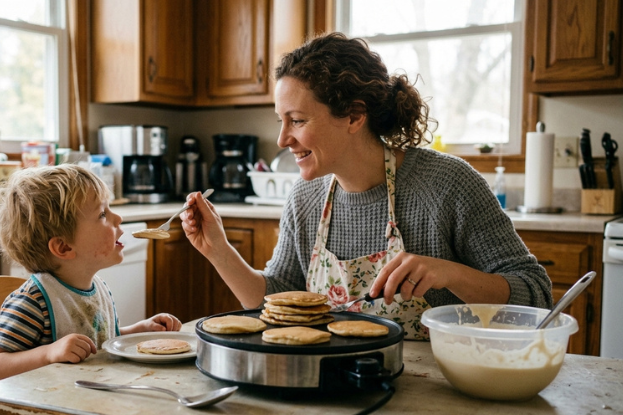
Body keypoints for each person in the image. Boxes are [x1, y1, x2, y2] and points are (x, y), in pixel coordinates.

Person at [180, 32, 552, 340]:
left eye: (296, 120)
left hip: (434, 394)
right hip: (332, 389)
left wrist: (451, 273)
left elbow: (537, 297)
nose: (281, 139)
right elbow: (276, 305)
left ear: (355, 116)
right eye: (281, 120)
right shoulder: (305, 198)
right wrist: (220, 252)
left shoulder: (448, 185)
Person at [0, 164, 182, 415]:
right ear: (63, 248)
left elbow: (96, 341)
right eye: (102, 214)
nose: (118, 217)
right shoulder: (32, 301)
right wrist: (49, 353)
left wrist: (138, 330)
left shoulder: (95, 287)